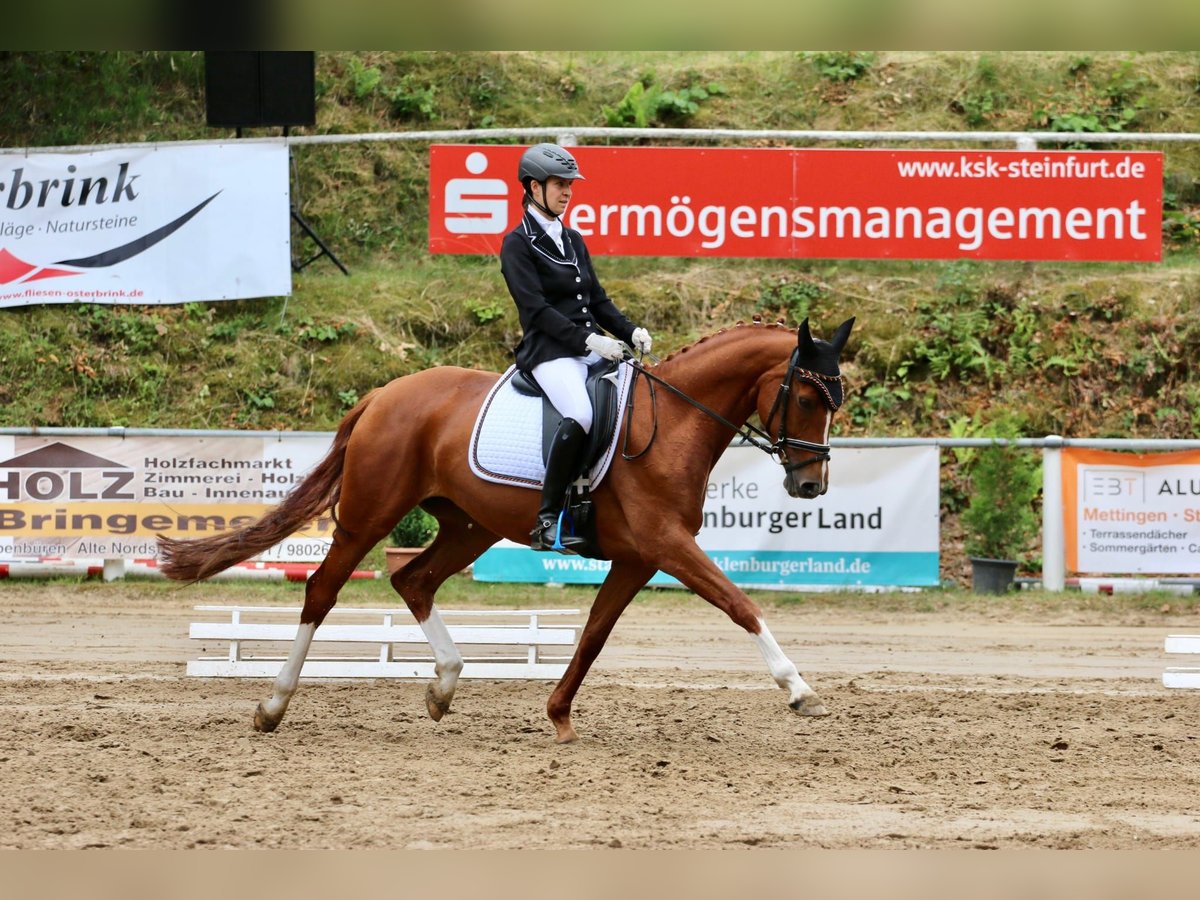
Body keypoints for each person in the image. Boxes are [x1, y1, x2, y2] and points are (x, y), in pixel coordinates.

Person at [500, 142, 653, 551]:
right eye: (559, 184)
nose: (568, 192)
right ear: (534, 187)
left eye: (570, 185)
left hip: (590, 347)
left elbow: (597, 300)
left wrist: (629, 330)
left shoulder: (572, 238)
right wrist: (590, 340)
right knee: (581, 414)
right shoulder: (517, 243)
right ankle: (549, 516)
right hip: (549, 352)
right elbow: (536, 310)